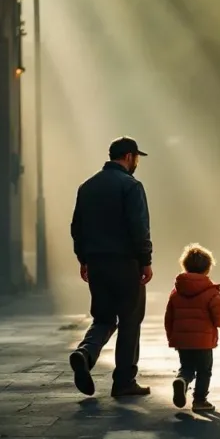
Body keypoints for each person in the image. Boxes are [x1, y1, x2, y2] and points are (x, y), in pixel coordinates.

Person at [68, 136, 154, 398]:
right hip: (125, 263)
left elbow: (77, 228)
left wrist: (84, 259)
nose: (137, 162)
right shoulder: (131, 186)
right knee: (130, 319)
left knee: (103, 317)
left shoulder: (87, 187)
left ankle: (86, 352)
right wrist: (146, 261)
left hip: (97, 263)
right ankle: (124, 381)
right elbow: (139, 228)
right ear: (129, 156)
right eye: (136, 157)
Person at [165, 243, 220, 413]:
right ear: (208, 269)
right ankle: (200, 400)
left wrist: (172, 336)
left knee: (186, 367)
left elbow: (168, 318)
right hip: (203, 341)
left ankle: (182, 380)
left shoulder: (176, 292)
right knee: (204, 371)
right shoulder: (211, 292)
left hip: (182, 341)